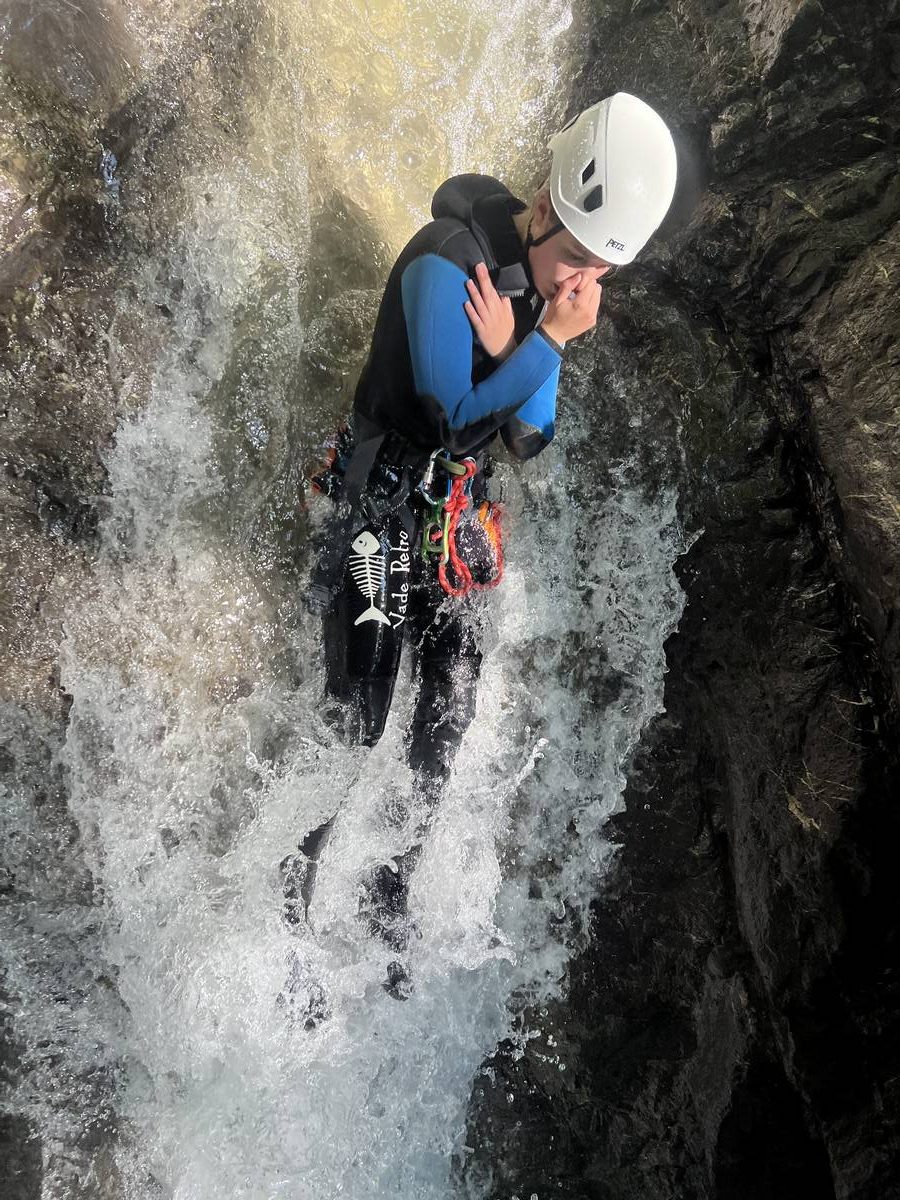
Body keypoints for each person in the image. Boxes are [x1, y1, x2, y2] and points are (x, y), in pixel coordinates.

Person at [286, 92, 678, 993]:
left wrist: (536, 340)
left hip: (448, 518)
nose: (580, 287)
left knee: (449, 712)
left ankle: (392, 888)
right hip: (379, 512)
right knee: (359, 721)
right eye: (575, 261)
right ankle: (293, 902)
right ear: (542, 207)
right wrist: (535, 340)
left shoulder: (546, 298)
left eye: (598, 274)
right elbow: (451, 419)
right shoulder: (444, 265)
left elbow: (528, 436)